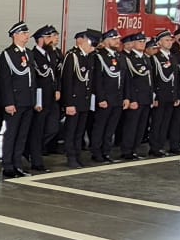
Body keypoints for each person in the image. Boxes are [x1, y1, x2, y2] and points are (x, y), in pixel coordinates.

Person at [0, 22, 40, 178]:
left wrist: (36, 100)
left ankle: (17, 164)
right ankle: (7, 166)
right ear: (15, 35)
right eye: (23, 33)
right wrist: (9, 102)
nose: (27, 36)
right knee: (11, 134)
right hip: (15, 101)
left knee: (22, 135)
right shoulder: (7, 54)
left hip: (28, 100)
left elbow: (32, 79)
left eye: (27, 33)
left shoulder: (29, 53)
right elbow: (5, 81)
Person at [28, 25, 62, 171]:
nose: (52, 40)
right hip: (40, 99)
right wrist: (37, 100)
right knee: (38, 130)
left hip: (52, 98)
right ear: (40, 39)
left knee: (53, 128)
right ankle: (36, 161)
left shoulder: (51, 54)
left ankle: (31, 149)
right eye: (49, 37)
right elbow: (34, 80)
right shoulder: (33, 55)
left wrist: (58, 89)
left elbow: (55, 75)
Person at [61, 31, 97, 167]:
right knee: (71, 131)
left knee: (79, 131)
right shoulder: (72, 56)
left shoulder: (89, 57)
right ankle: (71, 156)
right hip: (74, 101)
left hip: (84, 100)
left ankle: (77, 155)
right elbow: (67, 81)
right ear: (85, 42)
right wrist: (68, 103)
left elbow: (89, 81)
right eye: (92, 45)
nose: (93, 48)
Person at [89, 29, 125, 162]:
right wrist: (101, 98)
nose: (117, 41)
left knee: (110, 128)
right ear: (106, 41)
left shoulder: (119, 56)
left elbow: (124, 79)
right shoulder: (99, 56)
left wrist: (125, 97)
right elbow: (97, 80)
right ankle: (96, 152)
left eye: (118, 39)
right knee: (100, 127)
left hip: (117, 98)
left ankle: (106, 151)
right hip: (105, 98)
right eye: (114, 39)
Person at [117, 33, 153, 159]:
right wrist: (132, 98)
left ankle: (134, 149)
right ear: (132, 44)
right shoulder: (128, 59)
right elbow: (129, 82)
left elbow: (149, 80)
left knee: (141, 127)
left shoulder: (146, 58)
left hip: (146, 98)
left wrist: (151, 96)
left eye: (143, 42)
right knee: (131, 126)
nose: (142, 44)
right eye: (139, 42)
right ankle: (127, 150)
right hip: (136, 98)